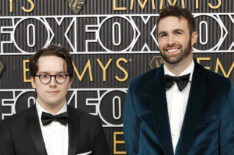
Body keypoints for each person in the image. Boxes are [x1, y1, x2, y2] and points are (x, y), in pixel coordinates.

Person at [123, 6, 234, 155]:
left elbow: (228, 149)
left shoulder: (221, 88)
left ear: (193, 37)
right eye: (163, 35)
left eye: (178, 33)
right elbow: (133, 148)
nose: (170, 41)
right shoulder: (137, 88)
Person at [0, 45, 109, 155]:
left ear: (70, 82)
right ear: (33, 81)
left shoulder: (91, 125)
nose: (53, 83)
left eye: (60, 76)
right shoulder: (9, 128)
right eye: (45, 76)